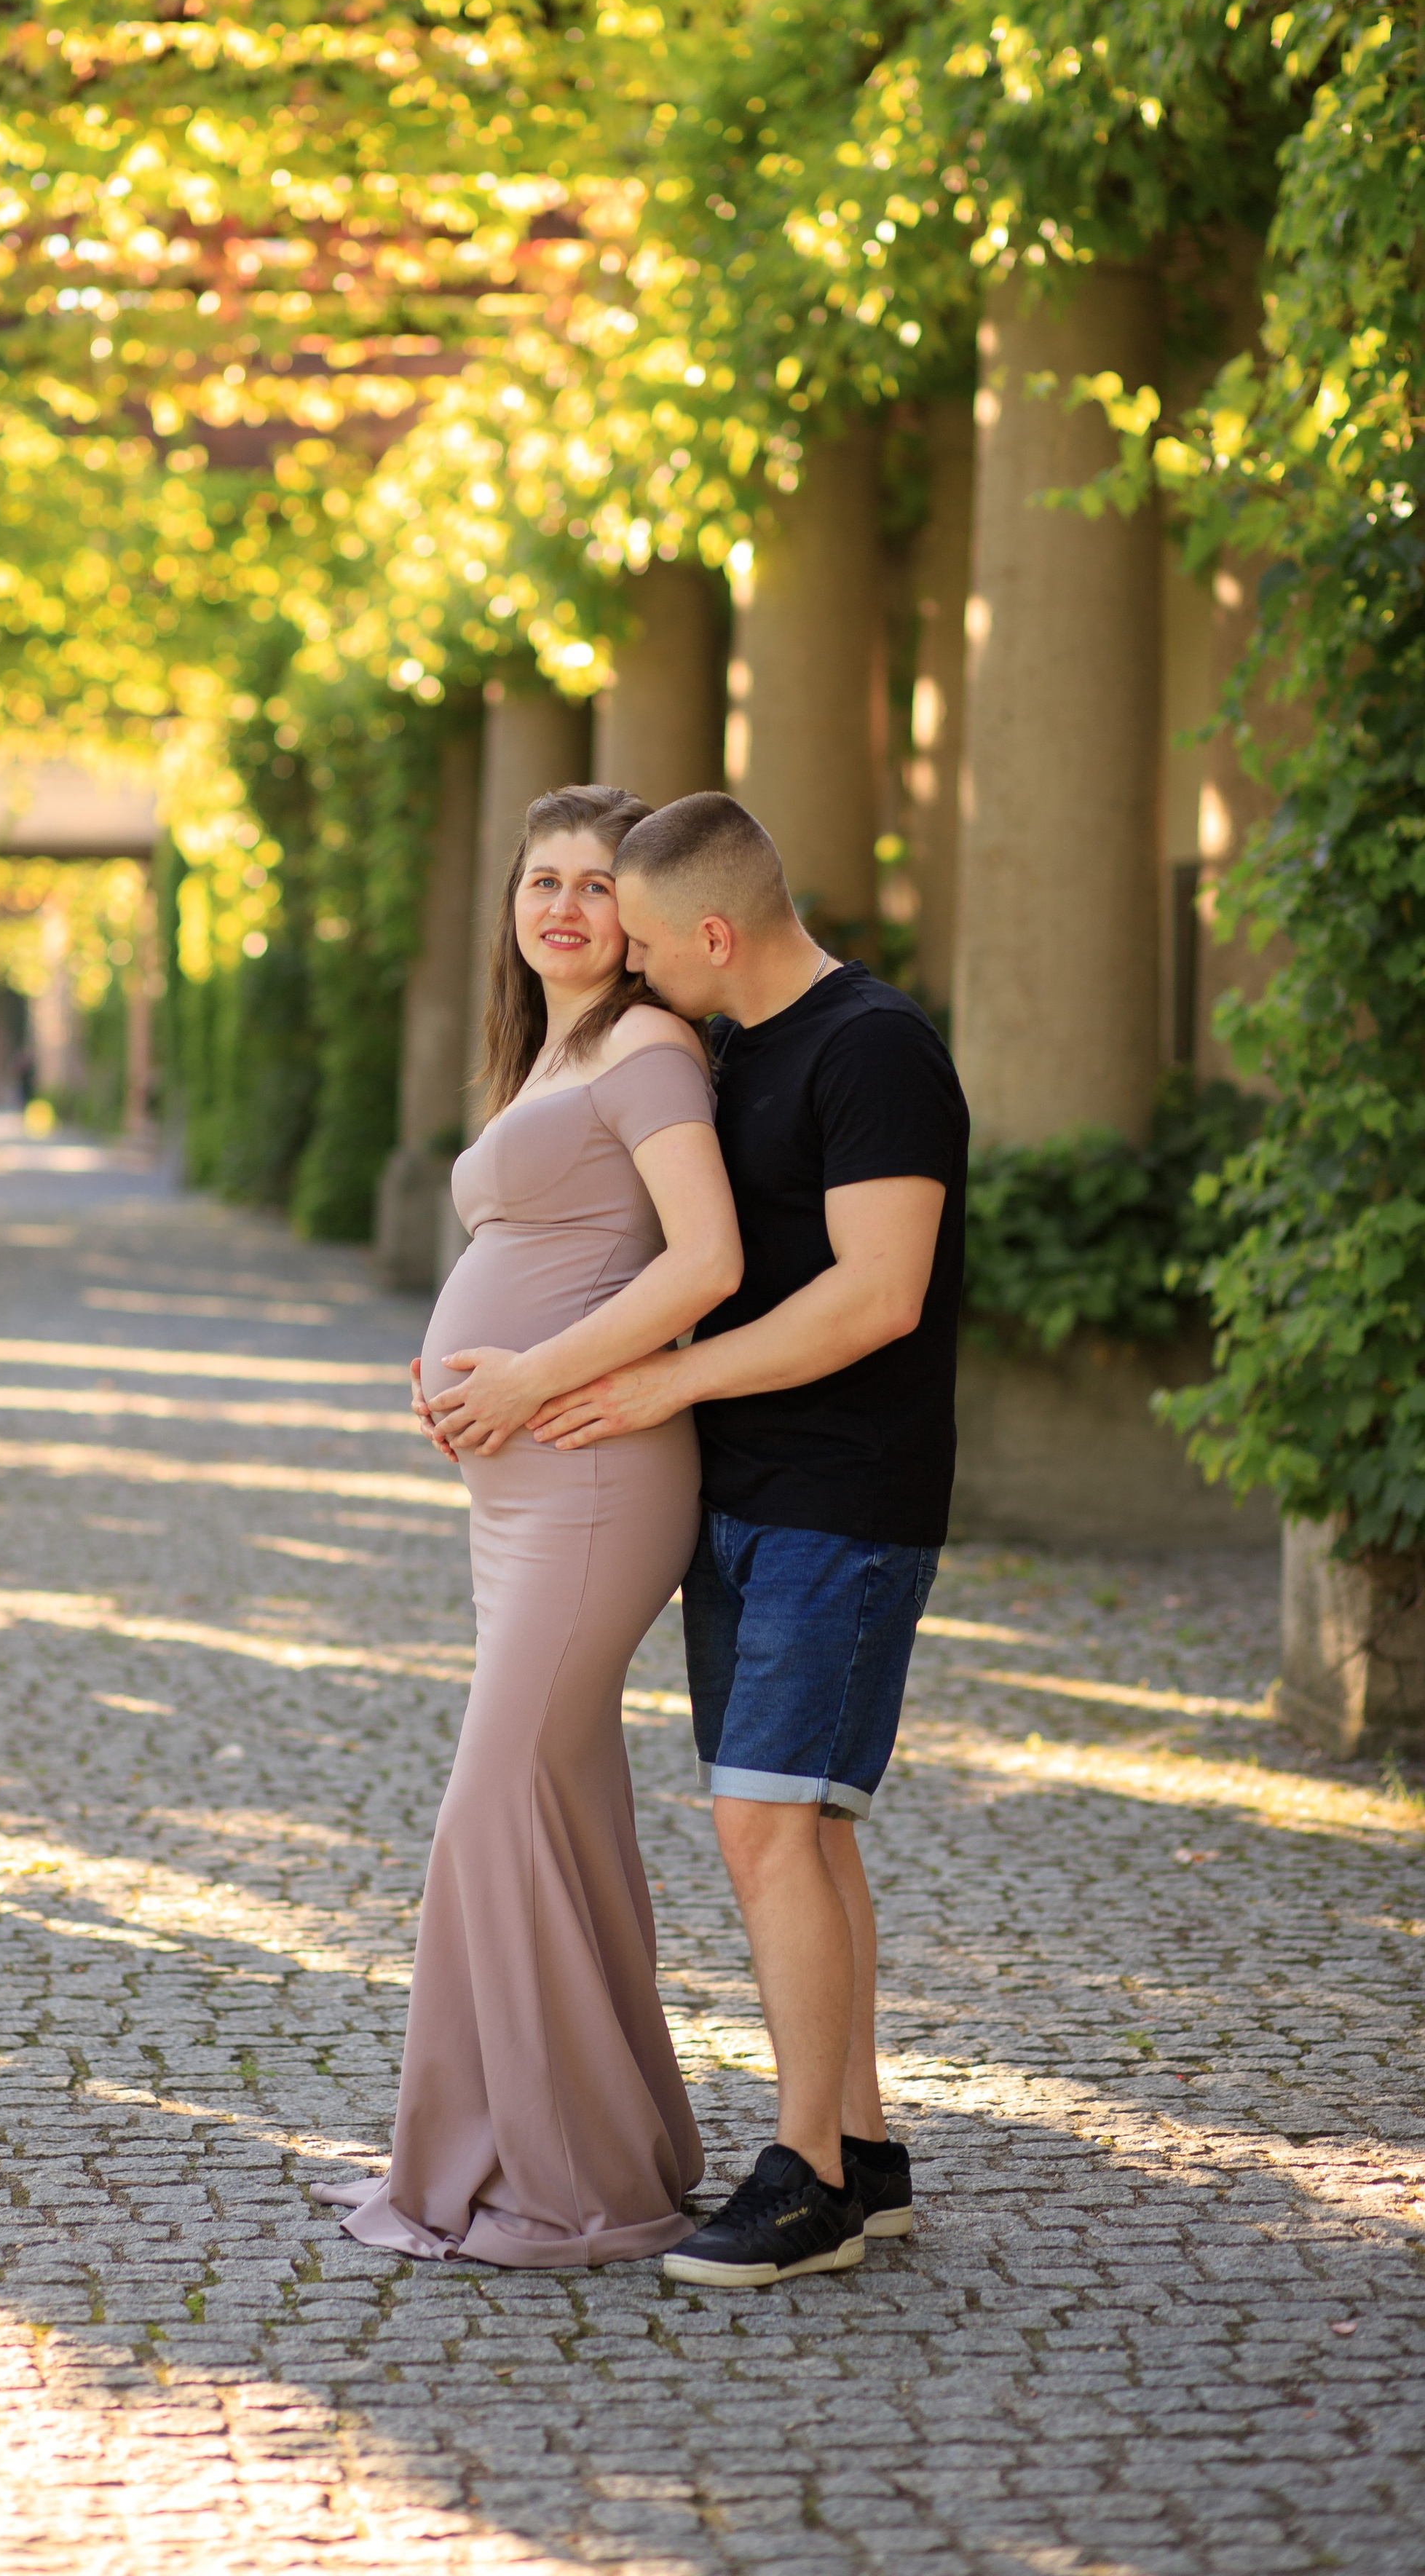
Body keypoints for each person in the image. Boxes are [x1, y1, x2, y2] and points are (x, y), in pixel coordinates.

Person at [526, 791, 969, 2291]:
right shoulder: (729, 1046)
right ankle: (860, 2150)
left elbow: (876, 1295)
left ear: (713, 932)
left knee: (765, 1825)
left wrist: (666, 1380)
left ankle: (804, 2187)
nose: (631, 965)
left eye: (644, 938)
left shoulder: (874, 1050)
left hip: (841, 1500)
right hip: (744, 1495)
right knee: (805, 1819)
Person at [312, 783, 743, 2265]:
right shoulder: (553, 1046)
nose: (560, 907)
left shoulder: (646, 1047)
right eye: (536, 880)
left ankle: (554, 2176)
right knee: (554, 1803)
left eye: (590, 883)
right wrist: (446, 1371)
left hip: (594, 1474)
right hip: (524, 1479)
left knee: (491, 1802)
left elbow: (703, 1260)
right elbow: (536, 1248)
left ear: (635, 914)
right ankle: (589, 2143)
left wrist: (528, 1376)